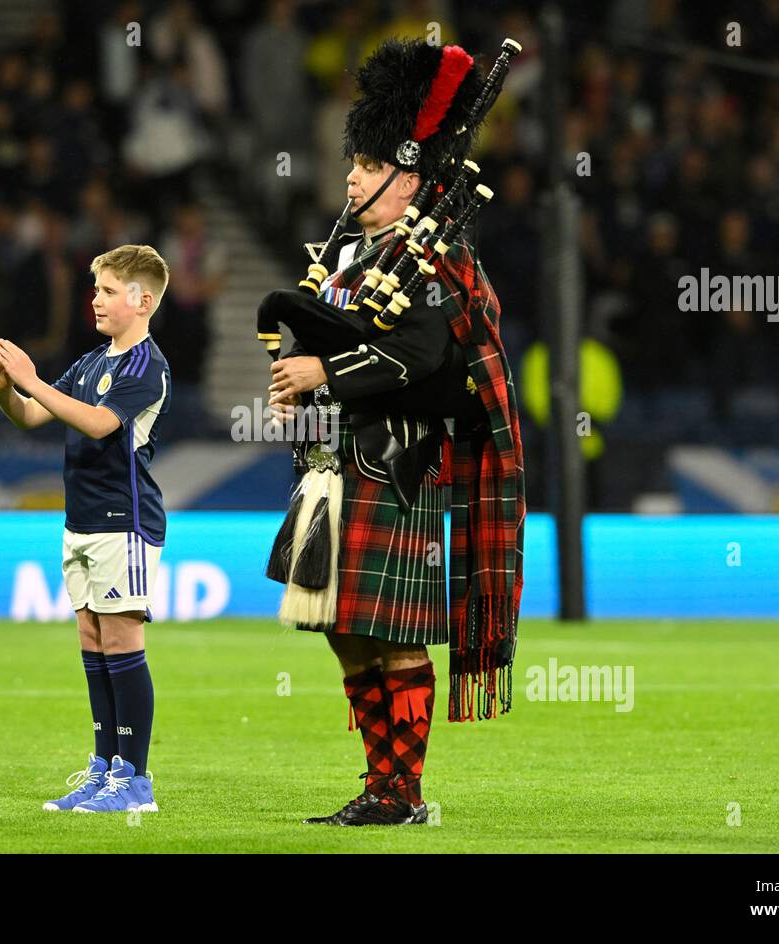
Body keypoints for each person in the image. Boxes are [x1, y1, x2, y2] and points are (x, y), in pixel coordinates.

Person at [264, 40, 526, 826]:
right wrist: (297, 375)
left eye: (367, 164)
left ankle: (401, 794)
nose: (350, 176)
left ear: (407, 179)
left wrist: (324, 375)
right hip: (336, 462)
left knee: (388, 630)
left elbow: (421, 355)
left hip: (397, 469)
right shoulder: (355, 254)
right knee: (342, 627)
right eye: (352, 163)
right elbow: (343, 336)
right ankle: (380, 783)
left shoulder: (438, 258)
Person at [0, 244, 172, 814]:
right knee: (92, 642)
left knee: (121, 642)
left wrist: (32, 379)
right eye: (96, 289)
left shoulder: (147, 366)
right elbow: (36, 414)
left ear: (142, 301)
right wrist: (2, 389)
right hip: (81, 521)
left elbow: (94, 423)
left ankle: (136, 782)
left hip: (126, 523)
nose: (95, 299)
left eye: (108, 291)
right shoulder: (92, 362)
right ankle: (103, 767)